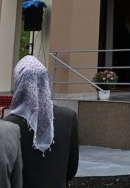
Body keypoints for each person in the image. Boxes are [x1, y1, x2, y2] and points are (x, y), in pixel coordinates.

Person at [5, 56, 78, 188]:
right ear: (47, 81)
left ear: (19, 83)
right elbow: (72, 168)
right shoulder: (68, 117)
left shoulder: (7, 125)